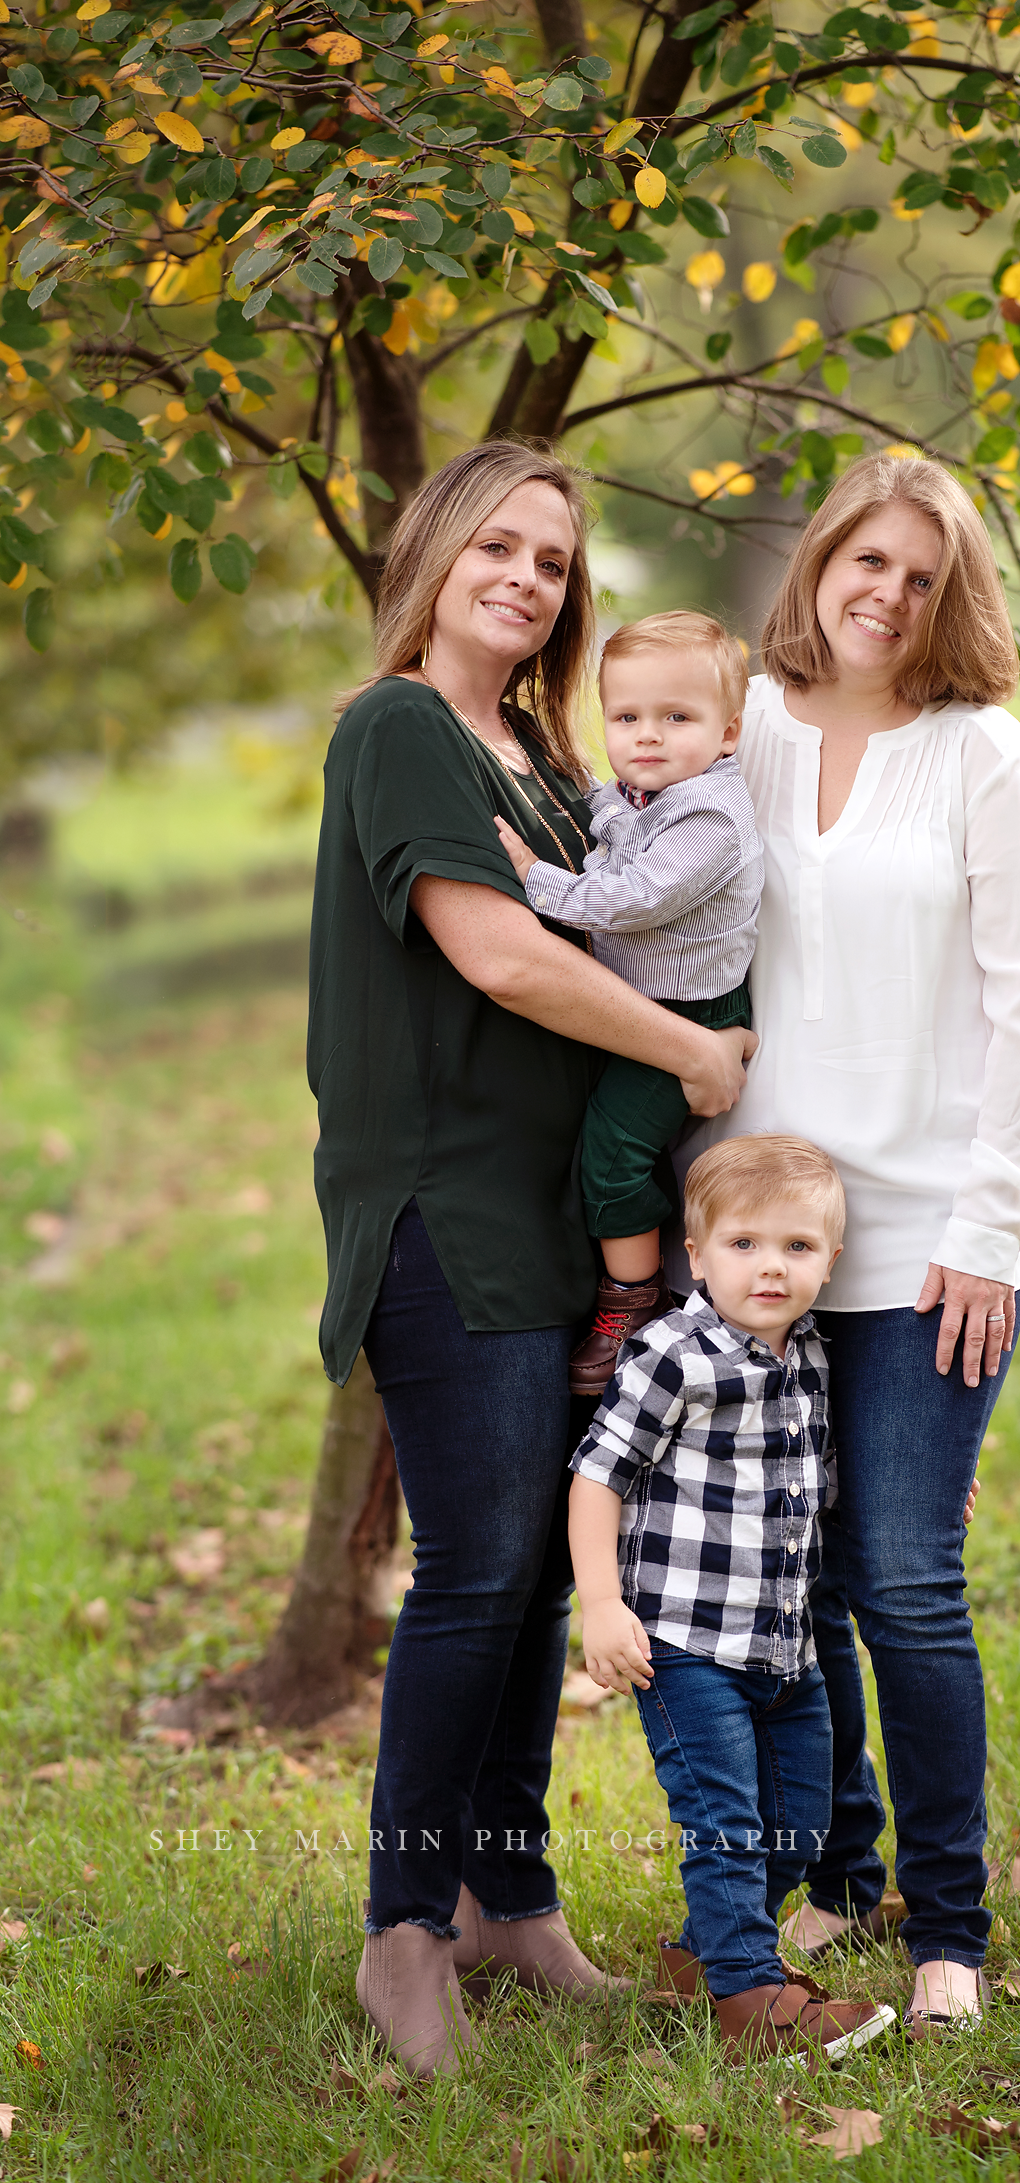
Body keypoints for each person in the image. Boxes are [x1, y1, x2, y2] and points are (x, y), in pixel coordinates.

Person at [307, 440, 755, 2078]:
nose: (521, 577)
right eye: (493, 545)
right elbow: (498, 954)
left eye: (552, 561)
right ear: (431, 554)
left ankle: (513, 1897)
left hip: (558, 1216)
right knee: (479, 1573)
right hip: (445, 1210)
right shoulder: (402, 731)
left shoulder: (555, 762)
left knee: (536, 1574)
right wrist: (696, 1061)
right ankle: (404, 1927)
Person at [677, 452, 1020, 2034]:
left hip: (928, 1242)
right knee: (795, 1587)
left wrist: (995, 1228)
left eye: (921, 574)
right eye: (867, 559)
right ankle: (836, 1877)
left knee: (904, 1579)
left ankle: (948, 1926)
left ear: (949, 594)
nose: (886, 594)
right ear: (819, 556)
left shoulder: (987, 758)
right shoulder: (746, 730)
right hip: (757, 1236)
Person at [568, 1135, 896, 2063]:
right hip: (684, 1647)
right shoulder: (674, 1354)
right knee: (727, 1825)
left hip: (784, 1652)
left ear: (830, 1261)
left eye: (797, 1247)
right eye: (744, 1245)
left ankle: (692, 1961)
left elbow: (815, 1481)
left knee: (800, 1827)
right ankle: (752, 2002)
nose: (769, 1267)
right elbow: (599, 1475)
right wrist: (601, 1605)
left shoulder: (812, 1358)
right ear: (697, 1252)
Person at [494, 611, 763, 1396]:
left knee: (613, 1159)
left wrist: (532, 877)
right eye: (627, 717)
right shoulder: (654, 792)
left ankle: (633, 1307)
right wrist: (593, 799)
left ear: (728, 733)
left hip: (686, 1016)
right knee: (599, 1141)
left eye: (677, 718)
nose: (647, 736)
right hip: (645, 1003)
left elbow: (635, 895)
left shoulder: (711, 815)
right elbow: (621, 820)